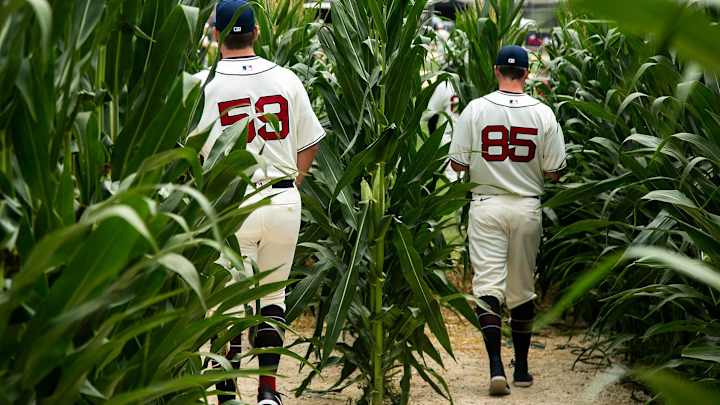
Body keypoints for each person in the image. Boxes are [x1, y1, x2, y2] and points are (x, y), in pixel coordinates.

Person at [193, 1, 325, 404]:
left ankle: (228, 396)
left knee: (226, 306)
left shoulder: (203, 83)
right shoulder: (286, 79)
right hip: (282, 198)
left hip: (230, 203)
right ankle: (268, 394)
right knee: (272, 299)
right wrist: (293, 184)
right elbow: (311, 140)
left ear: (215, 33)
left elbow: (191, 150)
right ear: (257, 33)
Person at [449, 45, 566, 396]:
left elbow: (456, 165)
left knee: (488, 287)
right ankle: (524, 369)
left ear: (496, 70)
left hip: (487, 204)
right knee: (522, 288)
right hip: (526, 206)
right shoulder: (543, 113)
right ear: (526, 74)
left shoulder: (475, 109)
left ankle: (496, 367)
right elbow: (555, 169)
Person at [425, 80, 460, 182]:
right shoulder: (477, 77)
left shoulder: (445, 84)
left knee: (454, 180)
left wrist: (434, 146)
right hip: (475, 138)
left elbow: (431, 116)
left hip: (451, 140)